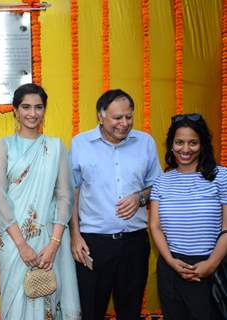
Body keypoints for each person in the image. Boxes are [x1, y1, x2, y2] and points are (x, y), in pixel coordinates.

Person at [0, 83, 81, 319]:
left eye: (38, 107)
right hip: (13, 240)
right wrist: (22, 245)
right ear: (15, 111)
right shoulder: (3, 146)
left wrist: (54, 244)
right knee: (14, 300)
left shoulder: (55, 146)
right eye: (26, 107)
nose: (32, 113)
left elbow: (64, 196)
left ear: (44, 110)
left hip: (49, 240)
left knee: (49, 298)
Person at [69, 89, 162, 320]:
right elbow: (72, 192)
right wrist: (75, 236)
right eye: (117, 118)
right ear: (100, 116)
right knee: (91, 310)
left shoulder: (145, 142)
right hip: (93, 243)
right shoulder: (80, 143)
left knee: (130, 311)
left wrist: (140, 197)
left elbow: (158, 187)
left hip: (134, 243)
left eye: (129, 117)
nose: (124, 123)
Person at [149, 113, 227, 320]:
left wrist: (210, 265)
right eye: (179, 142)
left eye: (193, 142)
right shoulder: (162, 182)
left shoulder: (222, 176)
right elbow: (155, 226)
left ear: (202, 144)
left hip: (211, 268)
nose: (185, 149)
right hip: (170, 267)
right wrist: (171, 262)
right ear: (171, 144)